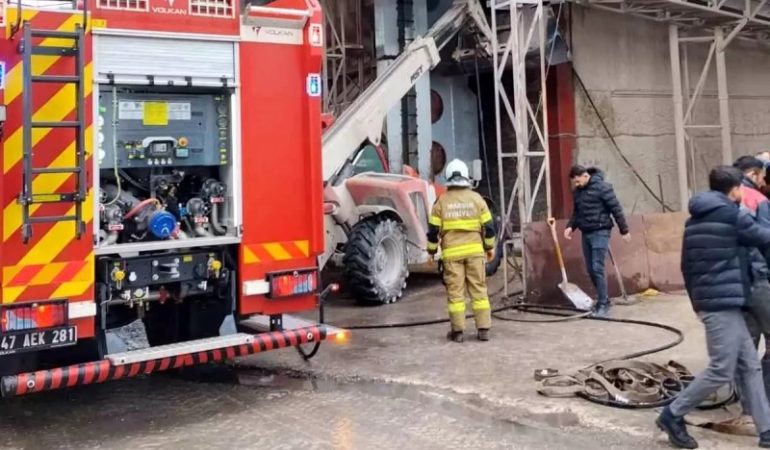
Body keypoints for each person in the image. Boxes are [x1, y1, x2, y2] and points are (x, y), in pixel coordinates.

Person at [656, 166, 770, 449]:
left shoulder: (694, 221)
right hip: (723, 304)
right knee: (722, 369)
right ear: (735, 189)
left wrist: (698, 303)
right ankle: (672, 414)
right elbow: (763, 237)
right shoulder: (732, 216)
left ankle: (767, 430)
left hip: (715, 302)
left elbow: (686, 267)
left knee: (750, 366)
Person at [427, 159, 496, 343]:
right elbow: (489, 228)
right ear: (466, 176)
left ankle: (458, 332)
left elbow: (433, 231)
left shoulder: (441, 201)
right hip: (475, 253)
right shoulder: (477, 199)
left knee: (456, 294)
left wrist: (431, 251)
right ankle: (483, 329)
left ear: (448, 177)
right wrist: (489, 247)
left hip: (452, 255)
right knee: (479, 290)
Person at [564, 165, 630, 317]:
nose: (576, 185)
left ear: (585, 175)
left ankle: (604, 303)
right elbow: (577, 213)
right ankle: (602, 299)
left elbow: (616, 209)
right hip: (586, 232)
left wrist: (624, 230)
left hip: (601, 231)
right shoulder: (578, 192)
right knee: (590, 269)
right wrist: (570, 227)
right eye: (575, 182)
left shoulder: (603, 188)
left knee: (597, 267)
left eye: (578, 181)